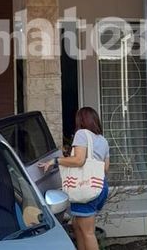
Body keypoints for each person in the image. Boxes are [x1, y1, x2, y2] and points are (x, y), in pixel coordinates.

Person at [39, 107, 110, 250]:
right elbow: (105, 168)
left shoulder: (81, 134)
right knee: (78, 226)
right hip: (100, 187)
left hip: (84, 188)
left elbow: (79, 160)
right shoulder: (103, 140)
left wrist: (55, 161)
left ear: (81, 120)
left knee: (88, 232)